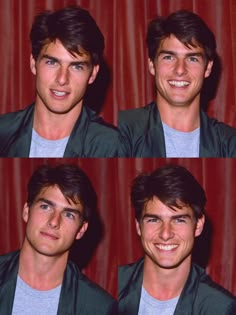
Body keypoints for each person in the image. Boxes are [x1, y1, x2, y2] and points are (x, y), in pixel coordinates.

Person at [0, 6, 118, 157]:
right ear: (33, 63)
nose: (62, 79)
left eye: (77, 67)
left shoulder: (112, 146)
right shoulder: (3, 132)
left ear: (93, 74)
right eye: (52, 62)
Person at [118, 164, 236, 314]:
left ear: (198, 225)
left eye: (179, 220)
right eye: (154, 220)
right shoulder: (112, 288)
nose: (165, 234)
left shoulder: (220, 308)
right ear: (138, 226)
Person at [0, 164, 117, 314]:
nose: (54, 221)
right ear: (26, 212)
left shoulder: (99, 308)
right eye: (46, 207)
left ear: (81, 230)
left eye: (69, 214)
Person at [118, 10, 236, 157]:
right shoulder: (121, 130)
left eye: (192, 59)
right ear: (151, 65)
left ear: (208, 68)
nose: (180, 70)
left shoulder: (230, 143)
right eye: (169, 57)